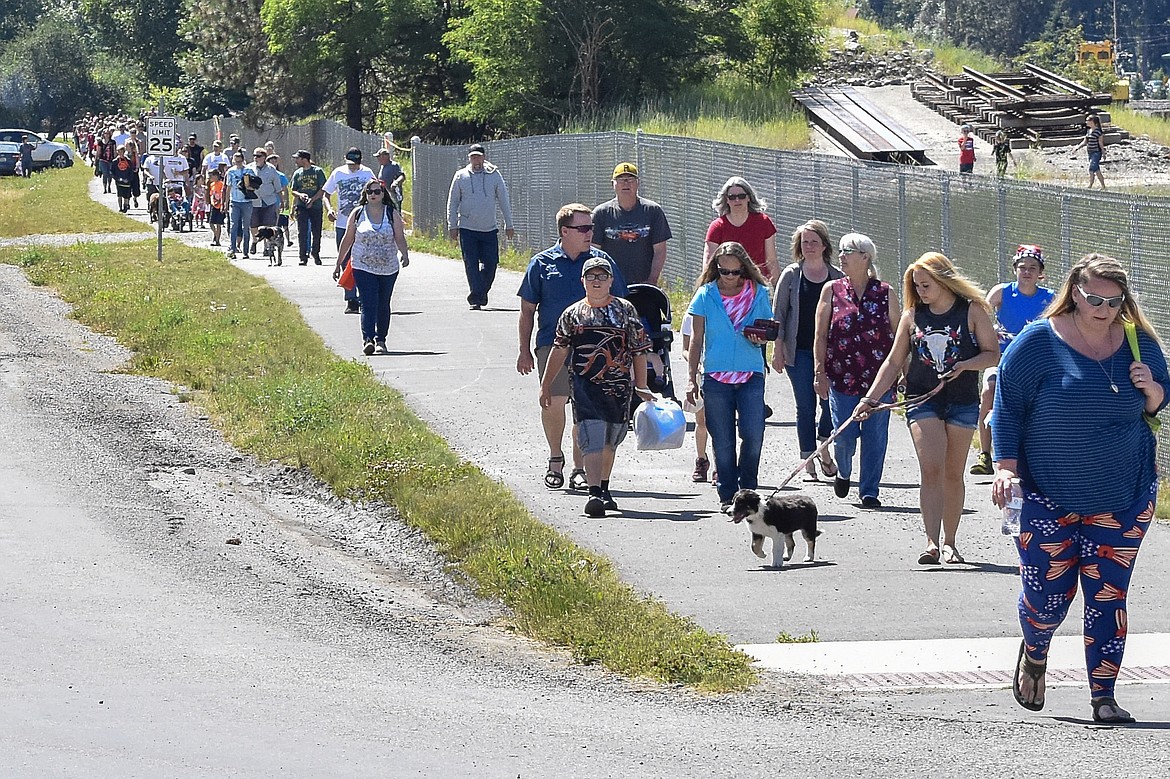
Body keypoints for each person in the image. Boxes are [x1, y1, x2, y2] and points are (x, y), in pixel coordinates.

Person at [992, 254, 1168, 724]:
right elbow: (1007, 411)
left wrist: (1151, 389)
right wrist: (1004, 468)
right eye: (1094, 298)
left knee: (1108, 594)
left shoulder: (1138, 343)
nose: (1104, 309)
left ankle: (1103, 694)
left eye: (1115, 301)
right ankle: (1035, 649)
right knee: (1048, 597)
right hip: (1047, 493)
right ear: (1074, 292)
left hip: (1125, 494)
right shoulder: (1036, 343)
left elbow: (1161, 397)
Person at [857, 252, 1000, 565]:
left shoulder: (972, 310)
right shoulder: (912, 316)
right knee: (931, 468)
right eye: (916, 285)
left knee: (953, 473)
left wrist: (965, 365)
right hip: (923, 399)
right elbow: (894, 361)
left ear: (943, 280)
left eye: (925, 284)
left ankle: (950, 542)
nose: (920, 290)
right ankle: (931, 542)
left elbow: (993, 354)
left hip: (962, 401)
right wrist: (871, 398)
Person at [518, 203, 629, 493]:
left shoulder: (601, 262)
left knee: (585, 408)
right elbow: (527, 309)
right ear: (564, 231)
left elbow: (623, 305)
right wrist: (523, 349)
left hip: (594, 349)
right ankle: (556, 458)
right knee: (553, 402)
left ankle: (580, 469)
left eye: (591, 227)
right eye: (583, 228)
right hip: (551, 344)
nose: (589, 233)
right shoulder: (542, 264)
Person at [540, 257, 653, 517]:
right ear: (583, 281)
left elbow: (638, 350)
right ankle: (593, 494)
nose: (597, 281)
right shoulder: (571, 314)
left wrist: (642, 386)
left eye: (603, 276)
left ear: (611, 281)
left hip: (618, 388)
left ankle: (604, 488)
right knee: (591, 435)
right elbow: (559, 350)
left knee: (610, 440)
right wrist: (546, 385)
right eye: (591, 277)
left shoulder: (625, 311)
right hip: (584, 386)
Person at [685, 241, 774, 511]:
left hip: (750, 373)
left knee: (753, 432)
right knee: (722, 439)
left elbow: (767, 330)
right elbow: (696, 339)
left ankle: (748, 491)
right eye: (725, 271)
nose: (730, 277)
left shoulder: (758, 292)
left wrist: (760, 337)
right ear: (717, 269)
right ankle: (727, 493)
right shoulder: (705, 294)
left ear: (744, 270)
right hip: (716, 375)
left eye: (736, 272)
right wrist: (691, 378)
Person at [813, 233, 899, 507]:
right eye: (839, 251)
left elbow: (899, 335)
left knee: (875, 437)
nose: (841, 256)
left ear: (865, 257)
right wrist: (819, 372)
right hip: (842, 375)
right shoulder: (832, 290)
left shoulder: (886, 292)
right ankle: (845, 472)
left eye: (847, 251)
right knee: (844, 435)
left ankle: (869, 490)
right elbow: (821, 334)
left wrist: (904, 371)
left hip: (879, 379)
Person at [970, 244, 1055, 475]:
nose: (1027, 272)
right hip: (1000, 359)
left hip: (1032, 364)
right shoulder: (1002, 292)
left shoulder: (1049, 298)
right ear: (1015, 269)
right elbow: (979, 316)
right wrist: (991, 331)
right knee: (989, 391)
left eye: (1032, 268)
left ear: (1041, 273)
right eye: (1022, 267)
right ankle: (985, 454)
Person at [773, 219, 841, 480]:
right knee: (805, 406)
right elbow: (778, 314)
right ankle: (808, 458)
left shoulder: (837, 277)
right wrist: (778, 349)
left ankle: (823, 447)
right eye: (805, 242)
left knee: (830, 404)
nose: (809, 246)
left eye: (814, 242)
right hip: (798, 351)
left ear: (824, 245)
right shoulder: (791, 275)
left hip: (831, 353)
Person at [333, 179, 410, 355]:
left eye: (377, 191)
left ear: (383, 194)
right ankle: (368, 339)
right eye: (370, 192)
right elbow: (348, 239)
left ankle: (381, 339)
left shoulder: (391, 213)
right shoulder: (358, 213)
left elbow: (399, 236)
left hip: (388, 267)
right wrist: (339, 263)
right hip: (362, 266)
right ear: (365, 195)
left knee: (383, 303)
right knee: (368, 302)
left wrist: (404, 254)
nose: (373, 195)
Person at [446, 143, 515, 310]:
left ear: (484, 157)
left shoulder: (494, 175)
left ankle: (480, 292)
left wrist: (509, 223)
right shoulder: (460, 176)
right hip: (467, 228)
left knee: (491, 264)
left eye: (479, 156)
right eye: (473, 157)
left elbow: (503, 200)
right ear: (469, 158)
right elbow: (453, 202)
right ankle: (476, 298)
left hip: (489, 228)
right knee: (471, 263)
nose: (476, 159)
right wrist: (452, 225)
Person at [592, 162, 672, 285]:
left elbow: (660, 250)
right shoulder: (601, 213)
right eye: (621, 179)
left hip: (643, 283)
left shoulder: (653, 211)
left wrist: (652, 280)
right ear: (613, 184)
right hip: (610, 285)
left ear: (638, 183)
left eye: (630, 179)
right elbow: (594, 252)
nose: (626, 183)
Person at [324, 147, 376, 314]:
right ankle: (351, 298)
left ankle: (364, 296)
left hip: (365, 223)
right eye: (350, 164)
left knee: (364, 259)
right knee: (346, 260)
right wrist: (329, 209)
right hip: (343, 223)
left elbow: (379, 192)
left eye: (356, 164)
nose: (353, 167)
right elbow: (326, 194)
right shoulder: (338, 173)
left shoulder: (367, 173)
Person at [704, 176, 780, 282]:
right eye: (732, 197)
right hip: (728, 287)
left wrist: (777, 289)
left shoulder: (763, 222)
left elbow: (771, 260)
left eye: (741, 196)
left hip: (758, 284)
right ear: (727, 200)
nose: (737, 200)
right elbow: (709, 264)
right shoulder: (717, 227)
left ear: (748, 198)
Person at [681, 312, 711, 483]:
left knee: (721, 422)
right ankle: (701, 459)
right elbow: (685, 349)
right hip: (700, 373)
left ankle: (722, 467)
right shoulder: (691, 316)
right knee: (702, 421)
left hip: (720, 371)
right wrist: (695, 363)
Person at [291, 150, 327, 265]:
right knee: (302, 231)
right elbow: (293, 190)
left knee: (316, 231)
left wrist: (313, 199)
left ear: (304, 159)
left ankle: (315, 253)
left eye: (297, 158)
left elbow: (323, 189)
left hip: (316, 206)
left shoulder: (318, 171)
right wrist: (300, 195)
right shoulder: (297, 173)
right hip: (302, 206)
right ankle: (303, 256)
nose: (296, 161)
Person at [246, 147, 283, 255]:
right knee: (253, 225)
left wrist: (281, 201)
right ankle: (254, 241)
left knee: (269, 225)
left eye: (258, 156)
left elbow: (278, 187)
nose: (255, 158)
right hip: (254, 201)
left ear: (264, 157)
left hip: (269, 201)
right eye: (254, 156)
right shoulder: (249, 168)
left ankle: (266, 248)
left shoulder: (271, 169)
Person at [224, 150, 253, 259]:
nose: (238, 163)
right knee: (233, 225)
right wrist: (226, 203)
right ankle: (232, 248)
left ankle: (246, 251)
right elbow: (228, 187)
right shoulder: (230, 172)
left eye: (240, 161)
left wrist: (250, 186)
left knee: (246, 227)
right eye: (236, 161)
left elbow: (256, 184)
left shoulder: (249, 170)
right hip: (234, 201)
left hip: (246, 202)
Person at [1072, 114, 1106, 189]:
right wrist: (1077, 148)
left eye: (1088, 120)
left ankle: (1090, 185)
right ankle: (1103, 186)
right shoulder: (1088, 131)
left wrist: (1103, 153)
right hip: (1090, 152)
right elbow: (1085, 142)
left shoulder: (1098, 132)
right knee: (1097, 170)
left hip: (1096, 152)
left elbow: (1100, 143)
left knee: (1091, 168)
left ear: (1093, 122)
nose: (1086, 122)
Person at [110, 146, 136, 212]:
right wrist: (116, 178)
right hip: (119, 180)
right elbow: (112, 171)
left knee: (126, 194)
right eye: (119, 152)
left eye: (122, 151)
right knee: (119, 194)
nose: (120, 153)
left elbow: (131, 170)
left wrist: (129, 179)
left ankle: (125, 205)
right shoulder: (115, 161)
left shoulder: (128, 161)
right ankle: (120, 207)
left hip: (127, 180)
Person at [207, 168, 226, 246]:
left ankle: (217, 240)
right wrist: (212, 202)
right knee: (211, 223)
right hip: (214, 205)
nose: (210, 178)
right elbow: (211, 194)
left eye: (211, 176)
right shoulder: (212, 185)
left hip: (220, 205)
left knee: (218, 223)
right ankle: (215, 234)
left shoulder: (221, 184)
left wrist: (220, 202)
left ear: (216, 176)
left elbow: (222, 194)